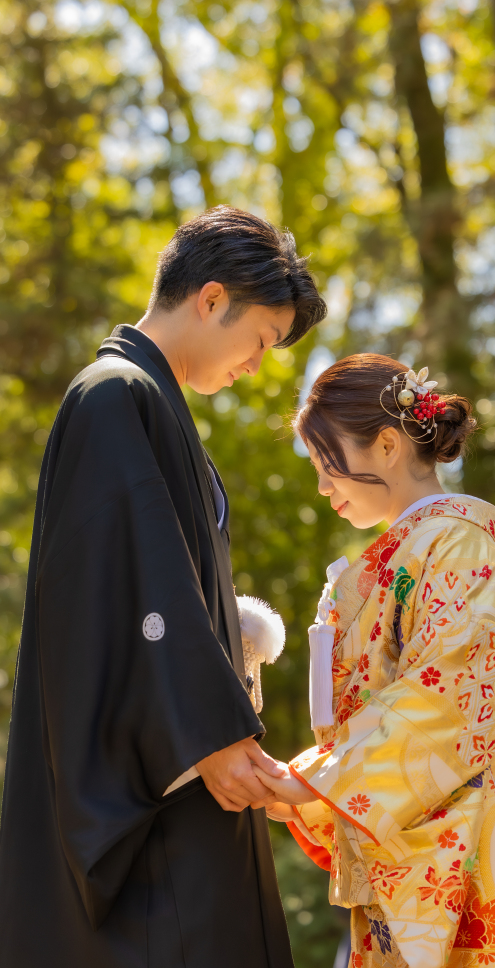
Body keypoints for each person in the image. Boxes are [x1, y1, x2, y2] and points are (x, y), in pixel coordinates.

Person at [0, 206, 326, 967]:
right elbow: (114, 583)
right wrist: (206, 732)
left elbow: (159, 579)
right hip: (158, 783)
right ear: (212, 299)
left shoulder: (148, 400)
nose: (257, 364)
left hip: (180, 758)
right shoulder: (114, 392)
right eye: (261, 341)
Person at [255, 354, 495, 968]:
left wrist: (314, 782)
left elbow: (449, 698)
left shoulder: (454, 547)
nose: (322, 487)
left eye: (327, 465)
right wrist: (310, 782)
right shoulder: (405, 556)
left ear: (386, 444)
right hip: (416, 848)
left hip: (482, 862)